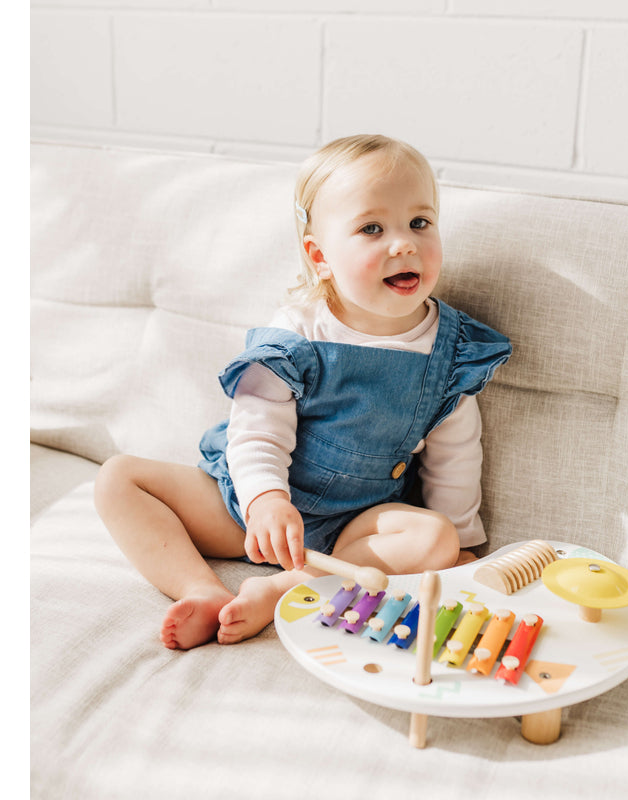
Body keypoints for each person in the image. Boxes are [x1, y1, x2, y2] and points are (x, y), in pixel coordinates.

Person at [94, 134, 512, 651]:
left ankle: (282, 589)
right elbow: (257, 430)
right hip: (252, 513)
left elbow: (456, 456)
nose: (403, 243)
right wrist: (266, 500)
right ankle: (201, 591)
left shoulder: (451, 352)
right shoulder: (297, 336)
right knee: (118, 479)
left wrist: (461, 546)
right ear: (321, 257)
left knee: (438, 536)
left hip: (356, 531)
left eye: (420, 223)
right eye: (372, 228)